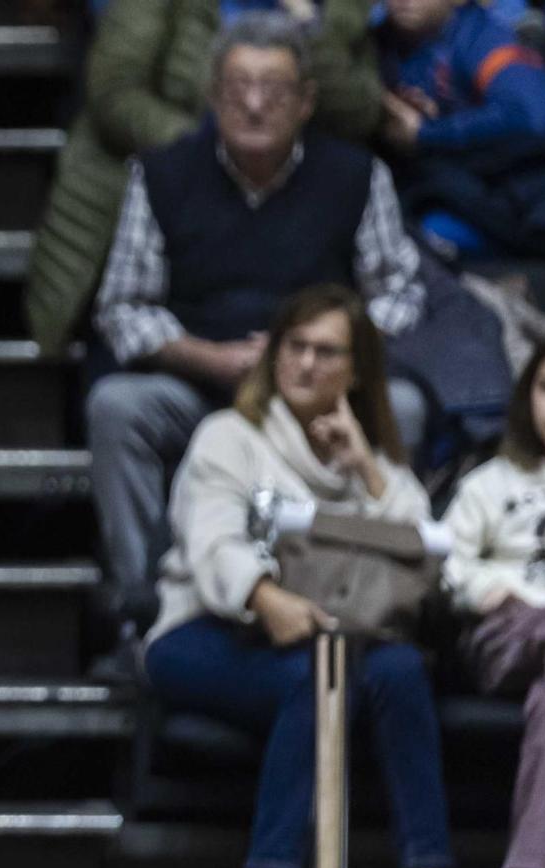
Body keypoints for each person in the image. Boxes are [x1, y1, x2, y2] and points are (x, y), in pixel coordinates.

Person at [144, 285, 475, 868]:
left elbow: (426, 558)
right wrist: (266, 597)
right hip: (206, 631)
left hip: (331, 640)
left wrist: (367, 470)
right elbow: (211, 542)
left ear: (357, 371)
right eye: (294, 347)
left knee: (402, 667)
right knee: (319, 678)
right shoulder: (230, 436)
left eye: (327, 352)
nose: (305, 364)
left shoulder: (366, 459)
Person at [89, 12, 431, 628]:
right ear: (213, 96)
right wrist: (205, 357)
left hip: (317, 397)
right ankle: (140, 605)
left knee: (401, 406)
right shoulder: (163, 174)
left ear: (305, 102)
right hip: (202, 381)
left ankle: (368, 597)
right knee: (118, 406)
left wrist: (322, 358)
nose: (253, 104)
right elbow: (121, 307)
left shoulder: (355, 176)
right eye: (237, 88)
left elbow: (400, 295)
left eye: (273, 90)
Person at [25, 0, 386, 358]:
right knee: (117, 391)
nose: (255, 104)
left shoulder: (337, 8)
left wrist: (307, 19)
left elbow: (360, 112)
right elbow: (115, 93)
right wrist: (212, 150)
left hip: (303, 195)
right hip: (152, 187)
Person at [443, 327, 545, 868]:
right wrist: (482, 588)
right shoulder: (491, 481)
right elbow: (444, 559)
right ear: (526, 396)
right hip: (505, 632)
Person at [377, 0, 545, 260]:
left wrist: (427, 132)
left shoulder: (482, 36)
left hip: (522, 183)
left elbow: (526, 113)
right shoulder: (377, 43)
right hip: (440, 190)